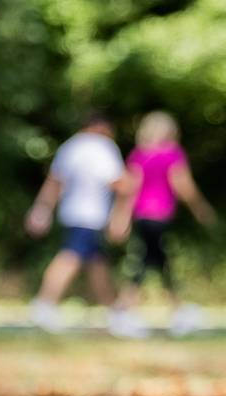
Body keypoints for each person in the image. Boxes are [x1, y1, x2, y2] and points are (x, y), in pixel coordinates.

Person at [25, 113, 140, 332]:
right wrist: (130, 193)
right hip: (91, 215)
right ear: (101, 127)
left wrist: (42, 209)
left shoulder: (70, 147)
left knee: (97, 262)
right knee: (70, 257)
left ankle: (114, 310)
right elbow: (119, 182)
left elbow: (54, 182)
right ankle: (44, 304)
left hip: (72, 213)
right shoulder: (102, 147)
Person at [108, 111, 216, 338]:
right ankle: (125, 309)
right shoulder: (172, 155)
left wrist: (122, 216)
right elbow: (183, 185)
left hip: (142, 216)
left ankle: (175, 310)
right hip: (158, 215)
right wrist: (200, 208)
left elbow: (130, 189)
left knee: (155, 260)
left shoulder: (139, 155)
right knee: (150, 261)